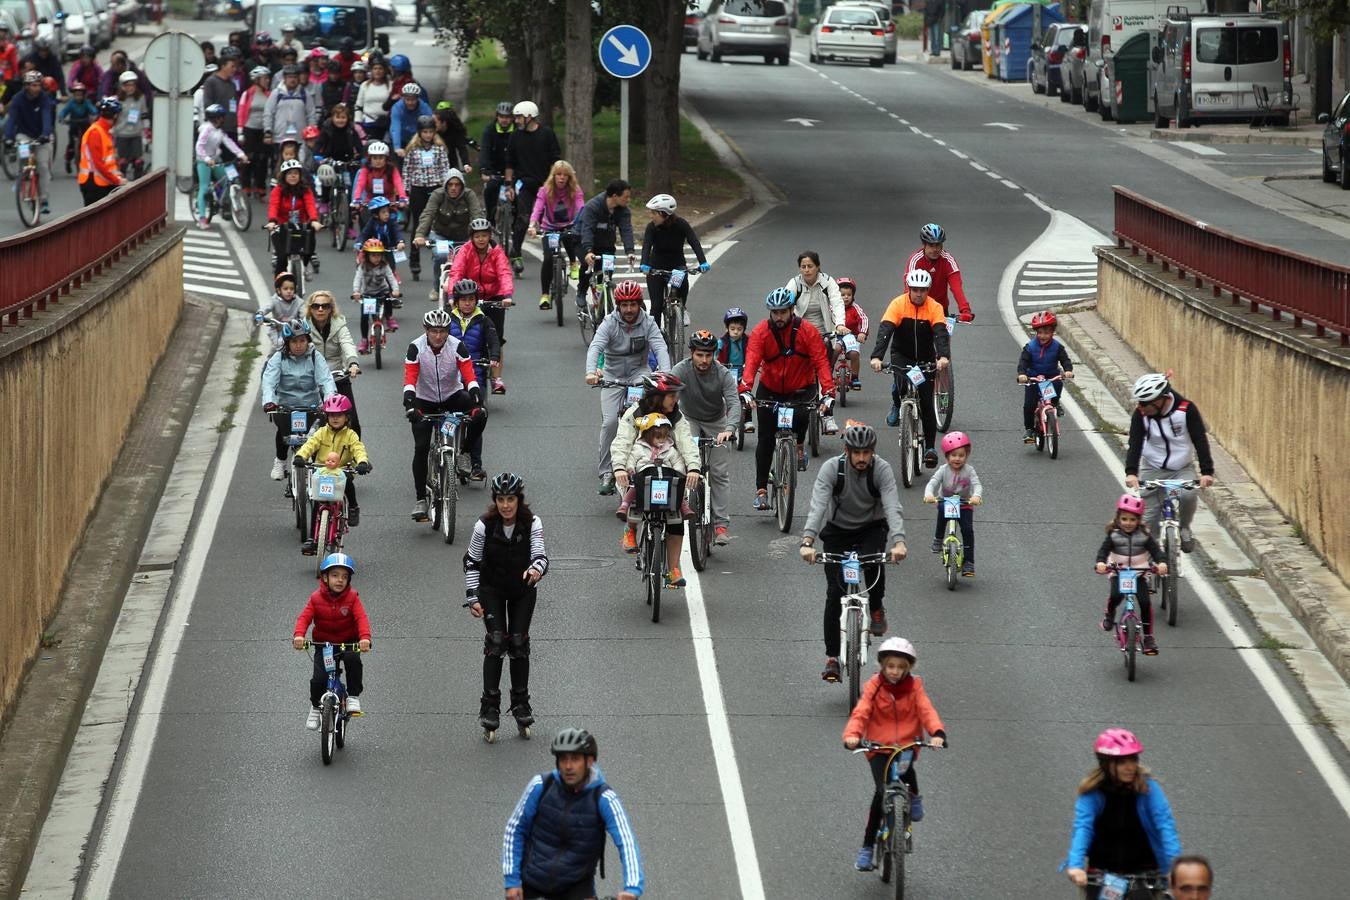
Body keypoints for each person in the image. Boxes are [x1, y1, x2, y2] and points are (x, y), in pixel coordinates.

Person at [801, 419, 906, 653]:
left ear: (873, 452)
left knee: (873, 564)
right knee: (834, 594)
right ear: (846, 451)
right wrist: (807, 541)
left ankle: (877, 607)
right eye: (856, 452)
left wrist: (899, 542)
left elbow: (892, 506)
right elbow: (818, 505)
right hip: (837, 531)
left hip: (871, 527)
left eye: (866, 453)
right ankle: (831, 657)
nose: (861, 458)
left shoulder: (882, 469)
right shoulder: (831, 469)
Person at [502, 728, 645, 900]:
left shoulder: (604, 798)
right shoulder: (541, 785)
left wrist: (632, 888)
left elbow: (626, 841)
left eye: (575, 759)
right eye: (563, 759)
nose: (568, 766)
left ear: (589, 761)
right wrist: (512, 881)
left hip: (576, 886)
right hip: (533, 880)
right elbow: (515, 829)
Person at [842, 637, 946, 872]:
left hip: (907, 744)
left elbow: (926, 709)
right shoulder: (873, 686)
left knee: (907, 771)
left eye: (901, 667)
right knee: (881, 792)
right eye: (891, 666)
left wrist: (937, 732)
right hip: (878, 748)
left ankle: (914, 798)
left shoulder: (915, 686)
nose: (895, 672)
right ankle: (867, 848)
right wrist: (852, 736)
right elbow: (861, 712)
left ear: (908, 668)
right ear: (882, 666)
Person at [465, 472, 547, 737]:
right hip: (492, 590)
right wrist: (472, 598)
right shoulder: (484, 526)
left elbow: (541, 556)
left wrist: (535, 570)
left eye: (510, 499)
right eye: (501, 499)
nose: (506, 505)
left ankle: (521, 704)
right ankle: (490, 706)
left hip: (523, 589)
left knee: (519, 643)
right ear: (495, 501)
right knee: (497, 640)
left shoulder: (531, 523)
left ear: (518, 499)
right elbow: (471, 562)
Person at [738, 287, 834, 507]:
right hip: (770, 390)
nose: (778, 317)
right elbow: (751, 361)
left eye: (783, 312)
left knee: (803, 416)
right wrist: (744, 389)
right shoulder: (761, 332)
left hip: (801, 388)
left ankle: (799, 445)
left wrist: (828, 393)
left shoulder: (807, 331)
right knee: (765, 439)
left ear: (792, 310)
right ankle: (761, 489)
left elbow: (821, 361)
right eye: (775, 312)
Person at [1060, 729, 1182, 894]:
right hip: (1104, 874)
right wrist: (1076, 866)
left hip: (1144, 873)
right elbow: (1083, 827)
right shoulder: (1092, 793)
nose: (1130, 767)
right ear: (1107, 764)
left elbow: (1165, 825)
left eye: (1133, 760)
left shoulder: (1148, 788)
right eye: (1122, 762)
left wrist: (1175, 866)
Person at [584, 281, 671, 495]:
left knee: (645, 417)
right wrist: (591, 371)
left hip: (638, 373)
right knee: (611, 422)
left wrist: (665, 374)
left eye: (633, 304)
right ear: (618, 306)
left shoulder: (648, 322)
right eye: (624, 305)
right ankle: (607, 472)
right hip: (612, 376)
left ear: (639, 304)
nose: (629, 310)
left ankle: (650, 460)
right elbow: (595, 347)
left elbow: (660, 346)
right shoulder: (609, 323)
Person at [404, 307, 488, 519]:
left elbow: (469, 376)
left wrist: (476, 399)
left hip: (452, 396)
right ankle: (421, 499)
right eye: (434, 331)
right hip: (425, 399)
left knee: (481, 414)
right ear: (426, 330)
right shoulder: (415, 347)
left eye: (443, 331)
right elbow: (410, 379)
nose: (439, 336)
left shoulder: (457, 346)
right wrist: (410, 405)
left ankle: (465, 454)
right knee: (421, 447)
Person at [1124, 373, 1215, 553]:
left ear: (1160, 400)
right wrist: (1131, 472)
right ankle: (1152, 562)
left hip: (1182, 467)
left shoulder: (1186, 410)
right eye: (1139, 403)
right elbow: (1135, 443)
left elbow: (1200, 440)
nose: (1140, 407)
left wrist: (1207, 472)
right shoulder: (1140, 415)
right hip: (1152, 466)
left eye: (1144, 403)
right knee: (1149, 519)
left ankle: (1185, 528)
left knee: (1188, 496)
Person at [869, 269, 950, 467]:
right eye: (915, 290)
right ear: (909, 289)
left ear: (928, 290)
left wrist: (944, 356)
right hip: (901, 354)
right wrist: (877, 357)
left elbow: (940, 334)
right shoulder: (897, 304)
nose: (918, 294)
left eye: (922, 290)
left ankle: (930, 448)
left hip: (925, 358)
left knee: (925, 399)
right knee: (900, 386)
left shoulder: (935, 307)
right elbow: (885, 332)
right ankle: (898, 405)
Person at [612, 413, 700, 587]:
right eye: (657, 437)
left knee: (676, 490)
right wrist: (627, 469)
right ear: (646, 435)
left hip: (665, 489)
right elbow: (630, 460)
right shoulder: (639, 447)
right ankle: (627, 520)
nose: (661, 441)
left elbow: (678, 463)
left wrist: (683, 472)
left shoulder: (671, 448)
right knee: (635, 490)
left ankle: (672, 570)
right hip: (644, 488)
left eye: (664, 436)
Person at [671, 331, 739, 545]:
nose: (704, 360)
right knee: (684, 464)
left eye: (709, 355)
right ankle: (680, 506)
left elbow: (734, 403)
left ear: (714, 355)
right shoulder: (681, 370)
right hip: (688, 418)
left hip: (716, 422)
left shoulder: (723, 373)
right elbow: (667, 394)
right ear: (692, 353)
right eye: (700, 355)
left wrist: (729, 428)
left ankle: (720, 525)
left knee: (719, 472)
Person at [292, 552, 371, 729]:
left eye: (344, 577)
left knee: (353, 661)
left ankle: (353, 697)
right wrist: (299, 635)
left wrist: (364, 638)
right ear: (325, 578)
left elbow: (361, 618)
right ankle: (314, 707)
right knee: (318, 680)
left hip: (348, 642)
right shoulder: (315, 598)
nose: (340, 580)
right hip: (324, 644)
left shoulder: (352, 597)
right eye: (335, 575)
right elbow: (304, 618)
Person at [260, 318, 337, 480]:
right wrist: (269, 401)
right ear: (287, 342)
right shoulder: (278, 358)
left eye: (302, 340)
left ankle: (316, 466)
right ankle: (280, 461)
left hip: (312, 406)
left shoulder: (315, 357)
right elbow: (269, 382)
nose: (298, 345)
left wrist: (329, 401)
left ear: (307, 340)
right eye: (294, 341)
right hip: (285, 407)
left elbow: (326, 380)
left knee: (317, 437)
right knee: (283, 431)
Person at [293, 394, 371, 550]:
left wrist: (362, 462)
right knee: (317, 502)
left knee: (348, 482)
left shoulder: (350, 435)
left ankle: (353, 506)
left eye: (339, 415)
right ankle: (313, 539)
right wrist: (301, 455)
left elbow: (358, 449)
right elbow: (310, 444)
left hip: (341, 471)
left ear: (347, 417)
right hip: (322, 471)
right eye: (331, 415)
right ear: (327, 417)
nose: (335, 418)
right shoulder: (321, 432)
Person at [1096, 493, 1167, 656]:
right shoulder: (1113, 535)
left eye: (1133, 520)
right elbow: (1103, 551)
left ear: (1139, 520)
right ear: (1118, 518)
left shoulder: (1144, 535)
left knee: (1144, 602)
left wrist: (1161, 562)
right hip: (1118, 572)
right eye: (1125, 519)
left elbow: (1156, 551)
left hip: (1139, 573)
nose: (1128, 523)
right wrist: (1101, 563)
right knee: (1115, 596)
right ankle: (1109, 614)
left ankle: (1148, 637)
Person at [446, 217, 514, 385]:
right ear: (471, 237)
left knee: (496, 337)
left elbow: (504, 272)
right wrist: (452, 296)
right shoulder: (465, 251)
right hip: (470, 295)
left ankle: (496, 377)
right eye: (477, 236)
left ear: (489, 236)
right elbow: (456, 272)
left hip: (494, 297)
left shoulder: (497, 251)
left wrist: (507, 296)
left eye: (484, 235)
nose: (481, 239)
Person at [504, 99, 561, 274]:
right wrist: (509, 185)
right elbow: (510, 163)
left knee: (549, 222)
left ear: (530, 116)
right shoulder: (515, 136)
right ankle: (516, 252)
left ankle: (550, 255)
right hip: (524, 185)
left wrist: (552, 183)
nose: (516, 120)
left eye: (519, 117)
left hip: (545, 185)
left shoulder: (547, 134)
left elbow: (555, 161)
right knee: (523, 219)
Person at [638, 193, 709, 326]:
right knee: (656, 306)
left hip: (677, 266)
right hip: (656, 267)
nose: (651, 216)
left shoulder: (681, 224)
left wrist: (703, 261)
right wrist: (644, 264)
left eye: (654, 213)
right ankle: (656, 340)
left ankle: (681, 309)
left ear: (663, 213)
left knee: (683, 285)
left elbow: (693, 241)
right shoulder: (651, 227)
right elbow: (646, 246)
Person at [526, 159, 584, 310]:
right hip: (549, 228)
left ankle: (573, 263)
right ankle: (545, 295)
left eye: (565, 175)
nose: (561, 178)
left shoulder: (575, 190)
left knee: (571, 236)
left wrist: (583, 223)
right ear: (553, 176)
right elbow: (537, 209)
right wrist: (532, 225)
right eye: (558, 174)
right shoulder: (545, 190)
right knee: (548, 258)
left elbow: (581, 208)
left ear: (569, 177)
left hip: (568, 226)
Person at [922, 431, 983, 577]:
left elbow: (977, 485)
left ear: (966, 456)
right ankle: (938, 538)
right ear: (947, 456)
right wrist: (929, 494)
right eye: (954, 455)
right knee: (942, 515)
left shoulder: (969, 470)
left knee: (968, 531)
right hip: (946, 501)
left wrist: (976, 496)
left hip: (964, 504)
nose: (957, 459)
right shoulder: (943, 470)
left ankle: (969, 562)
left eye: (961, 455)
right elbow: (933, 483)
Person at [414, 168, 482, 297]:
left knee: (470, 259)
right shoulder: (437, 195)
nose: (453, 188)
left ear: (462, 186)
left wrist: (479, 236)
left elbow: (476, 215)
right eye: (450, 184)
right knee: (441, 255)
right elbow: (428, 214)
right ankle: (436, 288)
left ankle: (471, 289)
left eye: (457, 185)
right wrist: (419, 235)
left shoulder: (469, 195)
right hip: (441, 235)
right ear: (445, 185)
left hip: (464, 236)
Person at [401, 115, 452, 281]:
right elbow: (407, 170)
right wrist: (405, 191)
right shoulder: (413, 149)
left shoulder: (439, 149)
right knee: (418, 223)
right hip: (417, 188)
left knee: (438, 222)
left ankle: (441, 256)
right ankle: (414, 261)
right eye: (425, 132)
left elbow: (445, 168)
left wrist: (445, 189)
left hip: (435, 188)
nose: (428, 135)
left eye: (431, 132)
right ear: (420, 133)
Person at [304, 290, 361, 433]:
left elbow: (347, 343)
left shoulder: (339, 325)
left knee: (352, 422)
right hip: (312, 379)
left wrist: (352, 363)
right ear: (310, 309)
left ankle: (356, 455)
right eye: (316, 306)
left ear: (331, 309)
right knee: (308, 421)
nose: (320, 309)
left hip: (338, 376)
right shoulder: (303, 326)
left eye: (325, 306)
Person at [574, 179, 636, 308]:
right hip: (583, 241)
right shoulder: (593, 207)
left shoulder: (623, 211)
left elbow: (626, 230)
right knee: (588, 264)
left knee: (607, 270)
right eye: (626, 197)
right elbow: (587, 229)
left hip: (606, 243)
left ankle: (604, 296)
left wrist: (630, 251)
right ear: (614, 196)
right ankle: (581, 291)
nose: (628, 200)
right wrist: (588, 250)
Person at [1017, 309, 1075, 443]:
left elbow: (1065, 360)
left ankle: (1055, 403)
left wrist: (1068, 370)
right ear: (1036, 332)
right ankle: (1030, 430)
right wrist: (1022, 374)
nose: (1043, 336)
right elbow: (1023, 362)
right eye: (1040, 333)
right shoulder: (1030, 347)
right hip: (1033, 379)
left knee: (1058, 384)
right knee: (1029, 406)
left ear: (1052, 332)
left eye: (1047, 332)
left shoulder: (1057, 347)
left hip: (1050, 379)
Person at [4, 71, 55, 214]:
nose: (37, 88)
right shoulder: (17, 99)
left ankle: (44, 199)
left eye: (39, 85)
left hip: (42, 136)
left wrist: (45, 134)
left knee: (43, 166)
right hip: (24, 135)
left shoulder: (44, 99)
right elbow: (12, 119)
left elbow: (46, 117)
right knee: (25, 159)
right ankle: (24, 177)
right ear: (26, 86)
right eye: (33, 85)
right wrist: (8, 137)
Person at [194, 104, 249, 229]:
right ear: (215, 118)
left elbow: (229, 143)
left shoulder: (220, 131)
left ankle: (222, 204)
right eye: (221, 117)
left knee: (228, 179)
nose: (223, 119)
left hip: (216, 159)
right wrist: (207, 159)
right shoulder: (206, 129)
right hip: (203, 160)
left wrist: (241, 154)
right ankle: (202, 218)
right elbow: (199, 146)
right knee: (205, 186)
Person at [905, 223, 974, 322]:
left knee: (942, 337)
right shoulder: (915, 260)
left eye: (938, 245)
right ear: (924, 245)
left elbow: (956, 287)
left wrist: (965, 310)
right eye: (931, 245)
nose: (935, 249)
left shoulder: (948, 260)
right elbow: (908, 288)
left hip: (940, 309)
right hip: (918, 307)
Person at [266, 158, 322, 276]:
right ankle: (280, 287)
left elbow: (310, 205)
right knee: (281, 258)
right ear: (284, 176)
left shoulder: (305, 190)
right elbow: (273, 206)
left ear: (300, 175)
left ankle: (305, 265)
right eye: (290, 173)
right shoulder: (278, 190)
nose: (293, 176)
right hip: (281, 225)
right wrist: (272, 221)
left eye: (296, 173)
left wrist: (314, 220)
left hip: (300, 224)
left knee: (309, 246)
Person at [447, 278, 502, 392]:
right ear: (456, 302)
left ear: (476, 301)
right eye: (463, 300)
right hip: (451, 370)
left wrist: (494, 357)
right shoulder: (448, 319)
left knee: (478, 405)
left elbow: (494, 341)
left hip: (476, 370)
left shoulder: (484, 320)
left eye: (471, 299)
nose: (467, 303)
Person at [351, 238, 401, 353]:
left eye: (378, 255)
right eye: (373, 255)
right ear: (367, 255)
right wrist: (356, 292)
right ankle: (364, 340)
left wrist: (395, 290)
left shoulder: (385, 266)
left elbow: (391, 278)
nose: (376, 258)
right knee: (364, 316)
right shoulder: (363, 267)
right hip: (368, 295)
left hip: (382, 291)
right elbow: (357, 279)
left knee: (388, 299)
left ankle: (389, 318)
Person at [77, 95, 124, 205]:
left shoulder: (105, 131)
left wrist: (116, 175)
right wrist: (117, 180)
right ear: (115, 115)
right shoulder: (96, 132)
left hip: (103, 182)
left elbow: (108, 161)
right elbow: (98, 164)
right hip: (94, 183)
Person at [238, 66, 273, 199]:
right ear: (257, 80)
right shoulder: (247, 94)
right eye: (265, 78)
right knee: (249, 158)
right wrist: (240, 130)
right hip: (249, 129)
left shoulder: (269, 95)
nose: (267, 81)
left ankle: (261, 186)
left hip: (264, 130)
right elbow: (241, 112)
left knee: (263, 159)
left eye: (268, 78)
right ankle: (246, 185)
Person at [263, 64, 316, 149]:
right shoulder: (276, 93)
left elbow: (311, 115)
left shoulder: (305, 94)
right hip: (280, 138)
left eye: (295, 77)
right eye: (290, 77)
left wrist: (311, 134)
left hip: (300, 139)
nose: (292, 80)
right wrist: (268, 131)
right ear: (284, 78)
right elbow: (268, 113)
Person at [716, 307, 752, 432]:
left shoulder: (748, 341)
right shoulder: (722, 342)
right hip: (727, 372)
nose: (736, 332)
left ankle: (748, 420)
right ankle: (724, 419)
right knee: (725, 397)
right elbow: (715, 354)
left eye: (739, 329)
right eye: (732, 329)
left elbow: (754, 353)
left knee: (745, 396)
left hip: (742, 372)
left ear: (744, 329)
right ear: (727, 328)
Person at [478, 100, 513, 225]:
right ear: (497, 116)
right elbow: (485, 151)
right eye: (502, 117)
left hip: (513, 170)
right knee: (491, 189)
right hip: (494, 169)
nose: (504, 120)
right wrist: (484, 171)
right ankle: (490, 217)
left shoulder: (517, 132)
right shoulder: (490, 130)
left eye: (507, 117)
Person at [357, 195, 406, 282]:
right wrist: (359, 242)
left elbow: (397, 231)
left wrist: (400, 242)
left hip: (389, 248)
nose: (387, 214)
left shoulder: (392, 221)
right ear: (376, 215)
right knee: (365, 260)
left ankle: (392, 276)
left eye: (387, 211)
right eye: (383, 212)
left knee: (391, 266)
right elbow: (365, 234)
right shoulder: (372, 222)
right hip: (376, 247)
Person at [352, 140, 408, 213]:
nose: (378, 161)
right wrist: (357, 199)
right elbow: (360, 184)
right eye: (375, 158)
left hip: (389, 202)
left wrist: (403, 198)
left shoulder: (392, 169)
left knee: (393, 222)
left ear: (386, 159)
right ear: (370, 159)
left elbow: (399, 184)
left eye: (381, 158)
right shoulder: (365, 170)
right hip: (370, 202)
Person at [112, 70, 150, 179]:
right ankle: (121, 187)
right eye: (127, 85)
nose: (130, 88)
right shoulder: (117, 100)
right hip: (121, 134)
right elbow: (112, 117)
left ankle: (137, 186)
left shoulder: (140, 98)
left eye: (132, 85)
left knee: (138, 162)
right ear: (122, 86)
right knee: (122, 163)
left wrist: (147, 131)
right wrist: (111, 131)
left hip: (136, 134)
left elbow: (144, 114)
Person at [257, 271, 303, 353]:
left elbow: (304, 312)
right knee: (276, 348)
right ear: (278, 290)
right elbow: (267, 307)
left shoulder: (299, 302)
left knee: (302, 349)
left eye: (291, 289)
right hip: (277, 330)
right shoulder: (274, 300)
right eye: (285, 289)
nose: (289, 291)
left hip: (294, 331)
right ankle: (269, 364)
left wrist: (306, 318)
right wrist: (260, 313)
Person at [836, 277, 869, 390]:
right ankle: (827, 374)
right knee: (835, 350)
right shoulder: (833, 307)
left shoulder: (855, 308)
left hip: (851, 337)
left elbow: (864, 319)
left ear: (852, 295)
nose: (846, 297)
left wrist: (862, 333)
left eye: (848, 295)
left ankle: (854, 377)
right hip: (836, 335)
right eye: (842, 295)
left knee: (854, 353)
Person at [58, 82, 96, 175]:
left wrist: (94, 115)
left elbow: (93, 110)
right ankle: (68, 159)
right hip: (73, 125)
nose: (78, 97)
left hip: (85, 125)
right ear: (73, 95)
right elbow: (64, 111)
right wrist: (62, 117)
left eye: (80, 95)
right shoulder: (71, 103)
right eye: (76, 95)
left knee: (88, 144)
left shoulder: (87, 102)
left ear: (83, 95)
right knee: (71, 145)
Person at [388, 82, 432, 155]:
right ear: (403, 98)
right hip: (400, 137)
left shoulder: (424, 108)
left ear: (418, 98)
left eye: (413, 100)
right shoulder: (397, 108)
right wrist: (397, 148)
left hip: (416, 137)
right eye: (407, 99)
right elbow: (396, 128)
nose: (410, 102)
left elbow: (430, 126)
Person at [354, 59, 391, 140]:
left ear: (384, 70)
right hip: (368, 123)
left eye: (380, 68)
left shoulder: (391, 85)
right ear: (371, 71)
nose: (377, 71)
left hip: (385, 124)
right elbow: (358, 106)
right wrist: (358, 122)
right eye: (375, 68)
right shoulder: (364, 85)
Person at [432, 99, 472, 172]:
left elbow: (462, 148)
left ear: (444, 122)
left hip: (451, 163)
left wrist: (466, 164)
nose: (433, 124)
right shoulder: (431, 132)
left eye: (435, 122)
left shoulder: (456, 132)